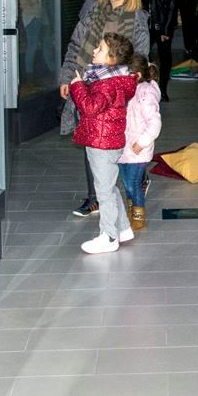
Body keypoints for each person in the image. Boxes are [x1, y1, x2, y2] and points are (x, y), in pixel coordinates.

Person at [60, 0, 149, 217]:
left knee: (123, 140)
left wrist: (130, 84)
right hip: (88, 84)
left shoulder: (137, 19)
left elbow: (140, 57)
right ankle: (95, 198)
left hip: (118, 90)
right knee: (92, 139)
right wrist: (68, 77)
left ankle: (138, 178)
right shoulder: (92, 11)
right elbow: (75, 46)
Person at [70, 33, 139, 254]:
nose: (93, 51)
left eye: (99, 49)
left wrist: (78, 86)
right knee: (109, 186)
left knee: (104, 192)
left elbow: (90, 107)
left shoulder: (107, 84)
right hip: (108, 140)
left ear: (112, 59)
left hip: (101, 141)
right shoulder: (114, 79)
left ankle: (109, 236)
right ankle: (124, 229)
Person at [118, 54, 162, 232]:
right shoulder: (126, 90)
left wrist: (141, 143)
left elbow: (155, 123)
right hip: (123, 146)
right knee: (126, 183)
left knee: (133, 184)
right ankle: (131, 209)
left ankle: (138, 216)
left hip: (138, 150)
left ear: (136, 75)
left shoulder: (145, 95)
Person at [142, 0, 180, 102]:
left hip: (162, 26)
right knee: (144, 53)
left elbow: (172, 8)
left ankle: (162, 89)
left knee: (165, 57)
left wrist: (166, 30)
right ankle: (149, 83)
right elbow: (145, 0)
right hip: (149, 24)